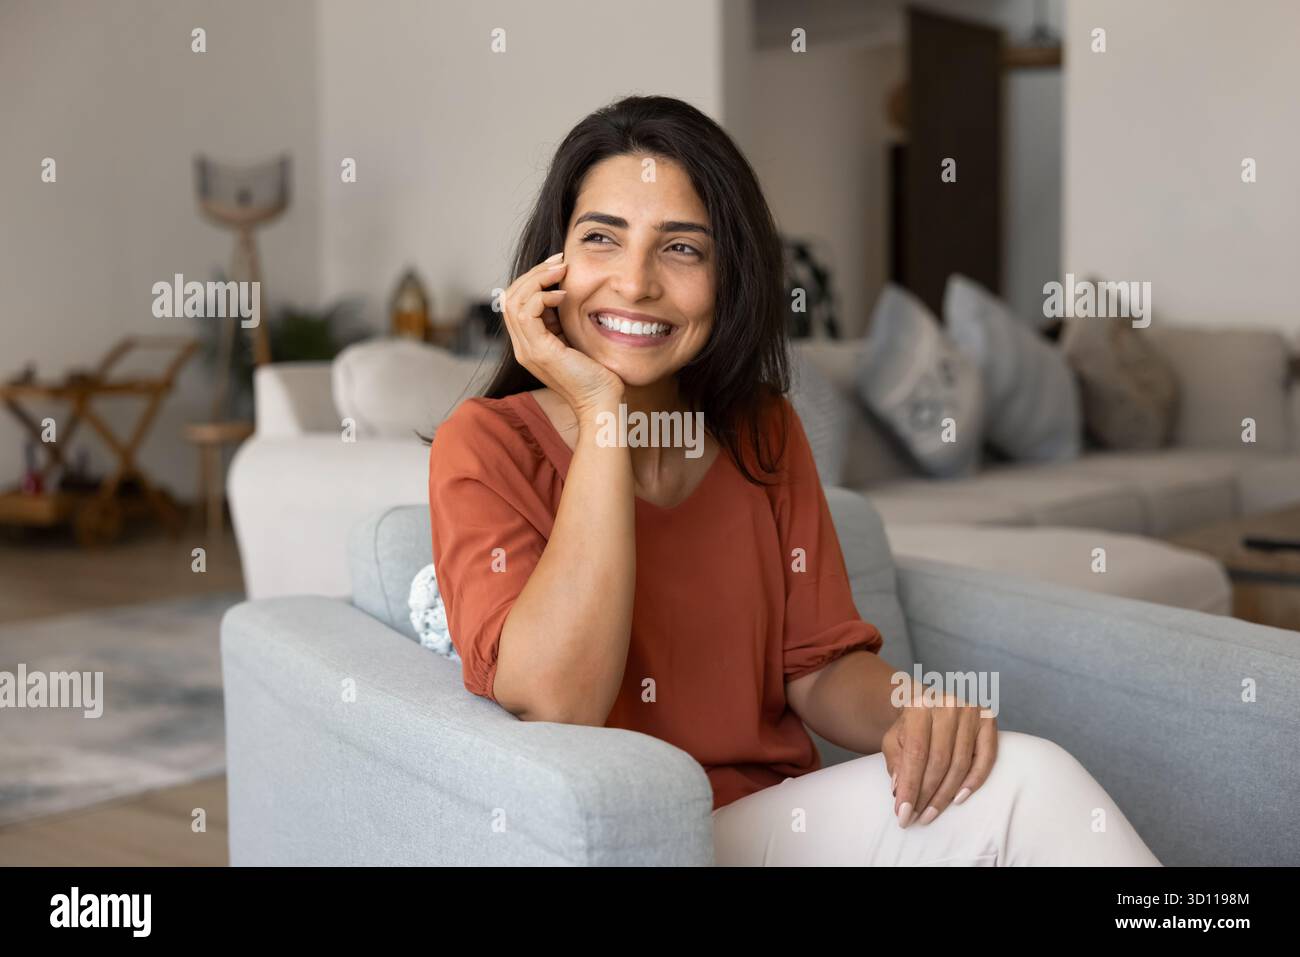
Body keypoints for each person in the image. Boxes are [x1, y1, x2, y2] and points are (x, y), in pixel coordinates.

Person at [427, 94, 1160, 866]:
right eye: (601, 238)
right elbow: (559, 702)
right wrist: (599, 409)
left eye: (682, 249)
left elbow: (818, 667)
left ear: (727, 276)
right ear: (553, 266)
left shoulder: (762, 429)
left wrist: (917, 709)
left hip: (776, 824)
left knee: (1018, 772)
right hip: (638, 841)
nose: (635, 282)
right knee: (1030, 784)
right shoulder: (485, 447)